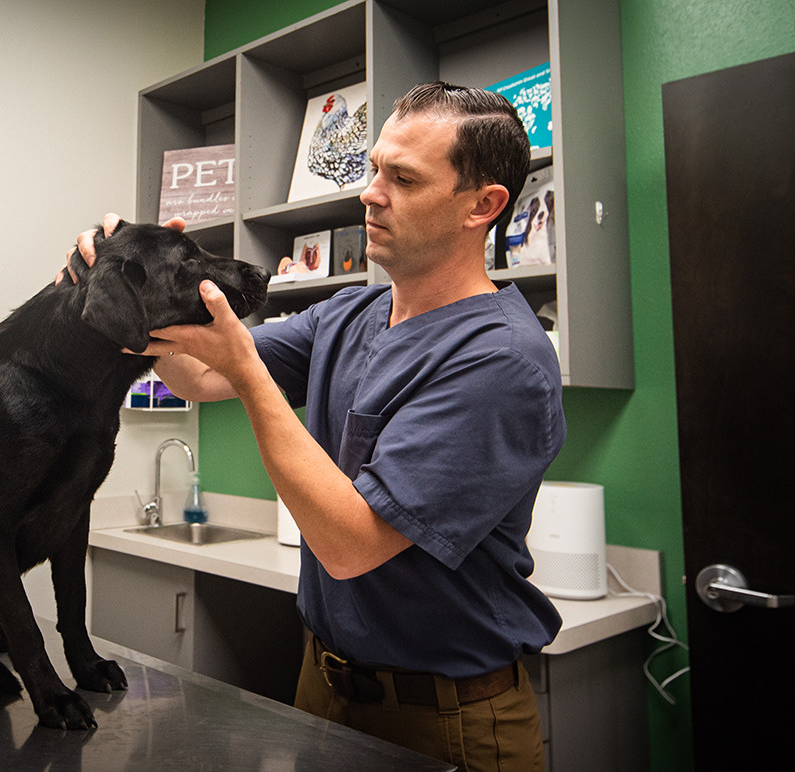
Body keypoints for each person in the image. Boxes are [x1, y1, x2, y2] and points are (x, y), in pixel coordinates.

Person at [69, 82, 565, 771]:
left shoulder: (500, 359)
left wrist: (244, 367)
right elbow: (202, 373)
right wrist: (135, 285)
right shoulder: (349, 315)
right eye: (373, 169)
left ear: (481, 206)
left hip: (446, 716)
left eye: (403, 177)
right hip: (324, 685)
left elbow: (348, 545)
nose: (370, 192)